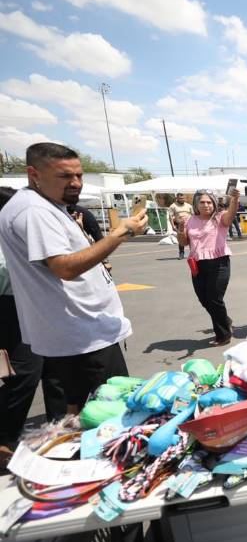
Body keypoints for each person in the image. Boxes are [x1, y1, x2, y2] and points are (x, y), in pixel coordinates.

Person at [0, 143, 147, 415]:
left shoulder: (44, 205)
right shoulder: (34, 211)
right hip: (81, 336)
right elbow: (64, 267)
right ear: (34, 174)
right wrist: (120, 234)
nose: (75, 183)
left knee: (80, 411)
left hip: (78, 332)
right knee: (110, 416)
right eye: (65, 176)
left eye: (78, 175)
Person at [0, 187, 43, 461]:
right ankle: (4, 437)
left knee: (26, 370)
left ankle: (7, 435)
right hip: (9, 306)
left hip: (20, 304)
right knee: (26, 369)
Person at [179, 188, 239, 346]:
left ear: (214, 204)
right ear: (196, 204)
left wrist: (234, 200)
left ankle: (223, 335)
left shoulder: (219, 218)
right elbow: (183, 242)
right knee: (204, 299)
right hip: (197, 264)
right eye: (202, 202)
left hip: (219, 262)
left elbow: (231, 215)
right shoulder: (189, 220)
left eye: (209, 202)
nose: (206, 205)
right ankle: (225, 320)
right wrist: (180, 228)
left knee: (214, 299)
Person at [169, 193, 193, 259]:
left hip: (189, 224)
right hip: (180, 225)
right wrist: (173, 226)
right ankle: (181, 253)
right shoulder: (173, 206)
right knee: (181, 239)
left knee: (192, 238)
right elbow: (170, 217)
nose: (182, 200)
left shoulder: (189, 206)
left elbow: (193, 215)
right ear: (177, 198)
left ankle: (193, 253)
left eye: (183, 198)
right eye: (180, 198)